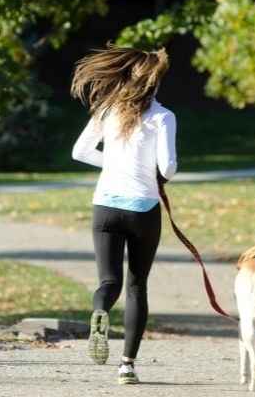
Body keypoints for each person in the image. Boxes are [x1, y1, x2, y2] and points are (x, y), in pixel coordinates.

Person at [71, 44, 177, 385]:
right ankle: (126, 365)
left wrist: (114, 165)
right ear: (155, 82)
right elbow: (169, 167)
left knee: (108, 282)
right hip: (142, 209)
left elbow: (80, 151)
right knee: (136, 286)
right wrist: (147, 172)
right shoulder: (163, 117)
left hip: (105, 205)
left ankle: (100, 310)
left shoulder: (106, 109)